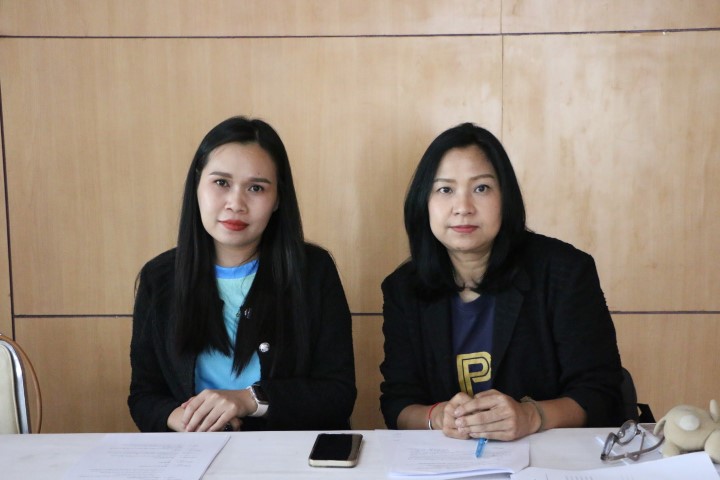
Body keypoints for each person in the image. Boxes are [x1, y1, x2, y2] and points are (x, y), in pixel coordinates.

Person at [380, 122, 624, 441]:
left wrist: (531, 416)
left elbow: (601, 392)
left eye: (481, 188)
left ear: (505, 198)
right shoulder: (403, 289)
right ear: (423, 201)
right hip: (450, 459)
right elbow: (397, 403)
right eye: (445, 190)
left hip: (550, 457)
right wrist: (436, 416)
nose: (463, 208)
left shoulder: (564, 272)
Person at [129, 116, 356, 432]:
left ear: (277, 199)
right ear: (197, 186)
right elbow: (144, 396)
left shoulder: (313, 271)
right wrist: (185, 419)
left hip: (289, 451)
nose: (236, 203)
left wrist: (249, 399)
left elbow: (337, 395)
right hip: (198, 449)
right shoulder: (159, 278)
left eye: (256, 188)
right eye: (221, 183)